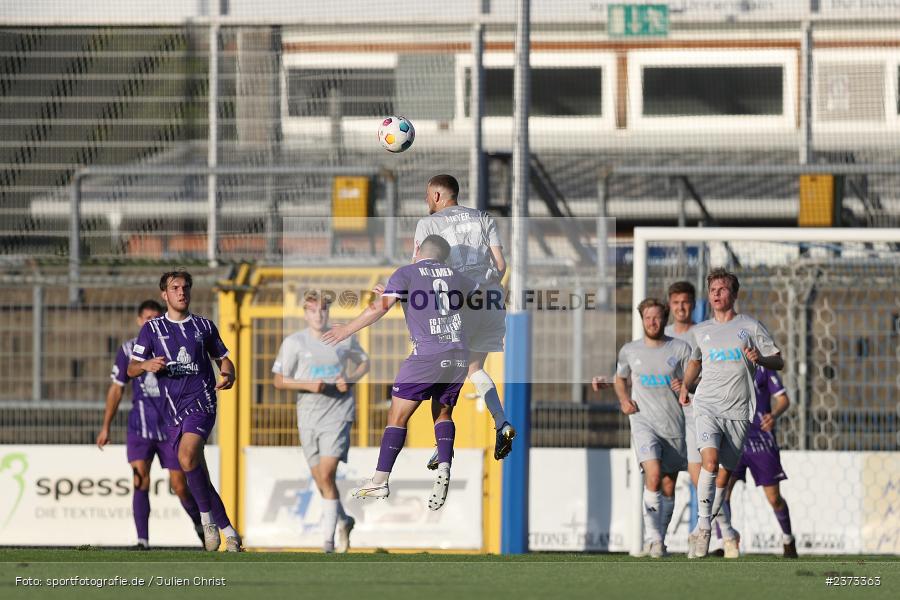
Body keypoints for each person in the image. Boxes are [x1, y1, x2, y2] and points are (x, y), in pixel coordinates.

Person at [323, 235, 475, 510]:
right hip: (458, 353)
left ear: (417, 250)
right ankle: (444, 465)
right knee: (442, 413)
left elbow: (380, 307)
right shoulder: (456, 275)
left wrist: (346, 329)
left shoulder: (406, 272)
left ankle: (380, 480)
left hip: (427, 356)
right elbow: (467, 296)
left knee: (397, 416)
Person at [129, 270, 241, 552]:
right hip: (172, 413)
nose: (182, 292)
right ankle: (230, 532)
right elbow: (132, 368)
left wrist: (228, 375)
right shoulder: (151, 330)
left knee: (187, 456)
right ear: (164, 294)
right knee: (196, 471)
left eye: (186, 287)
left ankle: (206, 520)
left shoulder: (203, 326)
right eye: (175, 287)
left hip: (202, 403)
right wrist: (145, 366)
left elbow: (224, 361)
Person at [679, 267, 784, 559]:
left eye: (722, 289)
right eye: (712, 289)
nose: (716, 294)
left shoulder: (749, 327)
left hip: (738, 411)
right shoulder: (700, 331)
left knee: (722, 481)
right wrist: (686, 386)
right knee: (708, 463)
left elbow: (779, 361)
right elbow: (694, 362)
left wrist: (760, 358)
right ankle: (703, 530)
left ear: (734, 294)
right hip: (707, 405)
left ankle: (708, 528)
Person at [412, 174, 515, 464]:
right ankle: (501, 421)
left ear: (436, 196)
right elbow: (501, 265)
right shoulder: (483, 217)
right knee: (474, 369)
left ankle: (442, 444)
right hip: (491, 302)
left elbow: (419, 268)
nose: (426, 200)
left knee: (442, 370)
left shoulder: (428, 224)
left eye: (426, 194)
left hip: (459, 302)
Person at [97, 299, 203, 550]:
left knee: (179, 486)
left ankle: (201, 526)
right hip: (140, 429)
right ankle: (142, 540)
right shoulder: (128, 351)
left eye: (155, 318)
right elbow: (117, 388)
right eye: (146, 318)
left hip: (171, 428)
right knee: (139, 479)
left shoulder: (175, 348)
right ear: (139, 321)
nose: (150, 323)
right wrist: (105, 427)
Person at [272, 291, 370, 553]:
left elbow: (364, 362)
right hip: (308, 416)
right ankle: (343, 520)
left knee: (327, 474)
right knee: (321, 481)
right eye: (313, 310)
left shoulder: (342, 337)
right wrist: (307, 384)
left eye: (323, 310)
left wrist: (350, 379)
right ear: (305, 313)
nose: (319, 315)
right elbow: (279, 380)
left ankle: (327, 544)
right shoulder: (294, 343)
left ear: (329, 312)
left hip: (338, 413)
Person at [613, 298, 692, 558]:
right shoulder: (629, 351)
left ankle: (660, 538)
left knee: (668, 487)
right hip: (643, 422)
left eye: (657, 317)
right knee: (654, 475)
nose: (652, 322)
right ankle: (655, 540)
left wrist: (686, 386)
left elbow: (696, 378)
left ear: (665, 319)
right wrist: (624, 399)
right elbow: (619, 378)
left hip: (673, 425)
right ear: (641, 319)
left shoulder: (680, 349)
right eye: (647, 318)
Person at [721, 366, 798, 558]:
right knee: (721, 491)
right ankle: (724, 542)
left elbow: (783, 399)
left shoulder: (764, 369)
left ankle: (788, 539)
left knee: (774, 498)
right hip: (733, 439)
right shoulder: (726, 364)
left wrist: (773, 415)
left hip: (761, 442)